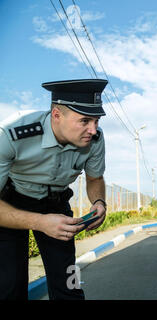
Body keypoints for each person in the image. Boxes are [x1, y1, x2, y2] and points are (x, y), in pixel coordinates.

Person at [0, 79, 109, 300]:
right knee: (9, 284)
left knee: (69, 281)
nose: (93, 130)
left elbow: (95, 178)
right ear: (57, 115)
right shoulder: (11, 134)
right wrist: (39, 222)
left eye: (96, 121)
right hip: (11, 203)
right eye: (85, 120)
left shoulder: (95, 139)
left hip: (57, 203)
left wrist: (99, 202)